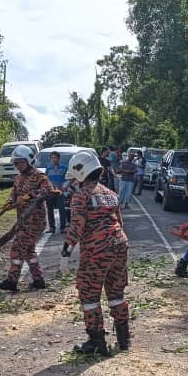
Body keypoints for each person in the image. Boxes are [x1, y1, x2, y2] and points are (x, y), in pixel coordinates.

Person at [62, 151, 131, 356]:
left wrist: (65, 254)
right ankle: (124, 339)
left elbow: (76, 228)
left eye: (75, 177)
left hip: (96, 252)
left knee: (89, 295)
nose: (73, 181)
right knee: (116, 293)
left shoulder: (81, 196)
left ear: (81, 173)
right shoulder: (111, 194)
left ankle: (96, 342)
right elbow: (120, 222)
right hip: (120, 246)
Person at [0, 145, 54, 292]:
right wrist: (9, 202)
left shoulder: (39, 176)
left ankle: (12, 281)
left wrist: (30, 196)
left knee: (17, 248)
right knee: (28, 251)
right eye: (15, 163)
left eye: (20, 162)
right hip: (23, 220)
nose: (17, 165)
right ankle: (38, 280)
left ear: (28, 160)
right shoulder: (19, 178)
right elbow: (13, 193)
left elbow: (49, 190)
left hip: (35, 221)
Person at [45, 151, 69, 233]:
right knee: (50, 209)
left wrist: (65, 187)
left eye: (55, 157)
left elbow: (68, 179)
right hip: (50, 192)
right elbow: (46, 180)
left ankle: (63, 227)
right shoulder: (48, 168)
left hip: (60, 192)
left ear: (58, 158)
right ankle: (52, 227)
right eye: (52, 158)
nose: (54, 159)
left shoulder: (64, 168)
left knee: (62, 209)